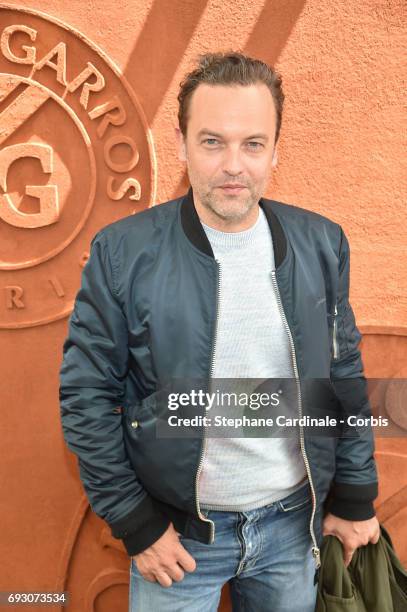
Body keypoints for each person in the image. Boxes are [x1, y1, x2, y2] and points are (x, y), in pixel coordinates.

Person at [59, 51, 380, 611]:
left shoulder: (321, 244)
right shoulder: (123, 253)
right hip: (177, 538)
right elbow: (86, 396)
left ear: (276, 150)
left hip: (291, 528)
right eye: (212, 142)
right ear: (181, 146)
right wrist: (134, 521)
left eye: (252, 143)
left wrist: (354, 495)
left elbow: (343, 376)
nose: (234, 164)